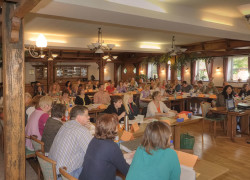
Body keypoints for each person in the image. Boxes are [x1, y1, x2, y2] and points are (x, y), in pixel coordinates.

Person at [79, 114, 132, 180]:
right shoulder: (112, 146)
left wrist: (126, 156)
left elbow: (106, 157)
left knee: (118, 178)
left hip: (84, 178)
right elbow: (127, 171)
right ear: (114, 128)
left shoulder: (94, 139)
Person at [49, 106, 93, 178]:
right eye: (86, 115)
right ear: (79, 117)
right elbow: (92, 152)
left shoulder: (65, 124)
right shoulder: (81, 130)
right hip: (65, 175)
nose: (89, 117)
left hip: (53, 169)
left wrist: (85, 129)